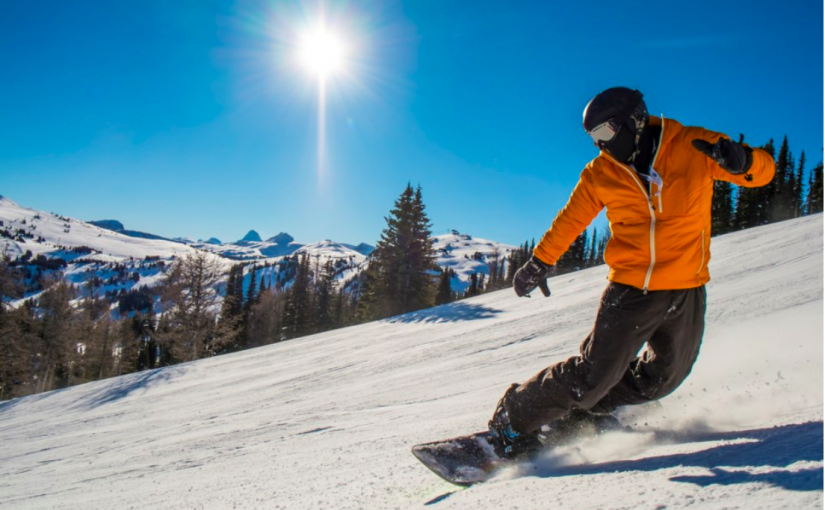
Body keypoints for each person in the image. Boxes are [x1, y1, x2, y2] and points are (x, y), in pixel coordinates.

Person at [488, 87, 775, 458]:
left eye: (605, 135)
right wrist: (540, 260)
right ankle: (512, 418)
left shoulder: (694, 145)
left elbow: (762, 174)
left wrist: (744, 162)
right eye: (594, 140)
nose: (601, 146)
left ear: (633, 122)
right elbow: (571, 219)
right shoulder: (601, 173)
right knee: (592, 377)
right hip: (631, 288)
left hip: (687, 286)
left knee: (662, 380)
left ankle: (586, 414)